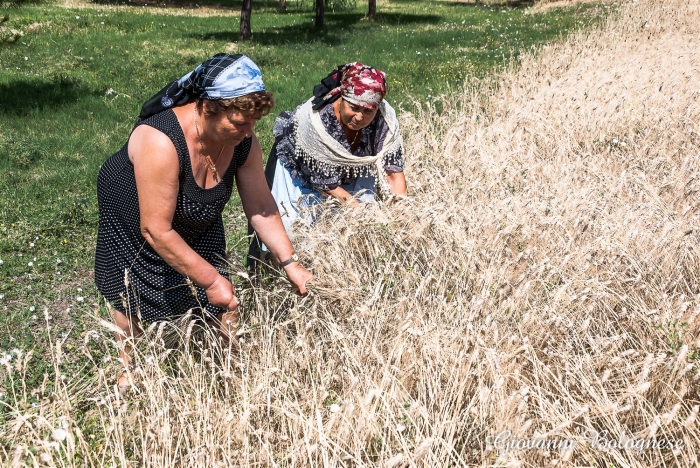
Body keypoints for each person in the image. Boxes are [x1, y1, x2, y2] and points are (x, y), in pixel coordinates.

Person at [95, 53, 313, 394]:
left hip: (199, 210)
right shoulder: (160, 140)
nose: (248, 132)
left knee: (221, 291)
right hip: (134, 212)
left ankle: (227, 371)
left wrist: (290, 262)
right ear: (208, 107)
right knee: (132, 290)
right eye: (239, 123)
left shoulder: (242, 141)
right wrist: (211, 282)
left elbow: (261, 204)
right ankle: (129, 370)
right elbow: (156, 229)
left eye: (252, 123)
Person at [249, 62, 407, 261]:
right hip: (301, 167)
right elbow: (327, 185)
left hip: (347, 166)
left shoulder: (384, 122)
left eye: (368, 111)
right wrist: (369, 221)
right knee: (301, 233)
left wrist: (400, 218)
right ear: (341, 98)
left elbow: (393, 173)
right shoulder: (320, 124)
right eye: (354, 107)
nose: (359, 117)